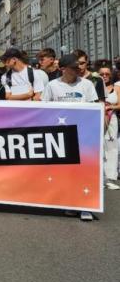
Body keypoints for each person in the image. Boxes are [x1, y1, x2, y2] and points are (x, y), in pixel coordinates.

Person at [42, 54, 99, 221]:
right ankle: (70, 203)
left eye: (80, 66)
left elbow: (95, 108)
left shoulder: (87, 85)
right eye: (74, 67)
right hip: (61, 137)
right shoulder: (52, 86)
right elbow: (44, 109)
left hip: (83, 135)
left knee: (84, 172)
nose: (79, 69)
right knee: (65, 173)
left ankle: (86, 206)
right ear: (63, 69)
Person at [99, 64, 120, 190]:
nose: (104, 76)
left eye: (107, 74)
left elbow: (119, 105)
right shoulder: (94, 86)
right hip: (97, 118)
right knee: (98, 147)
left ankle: (110, 177)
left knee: (111, 147)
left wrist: (109, 107)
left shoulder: (116, 88)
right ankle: (100, 176)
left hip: (111, 119)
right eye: (102, 74)